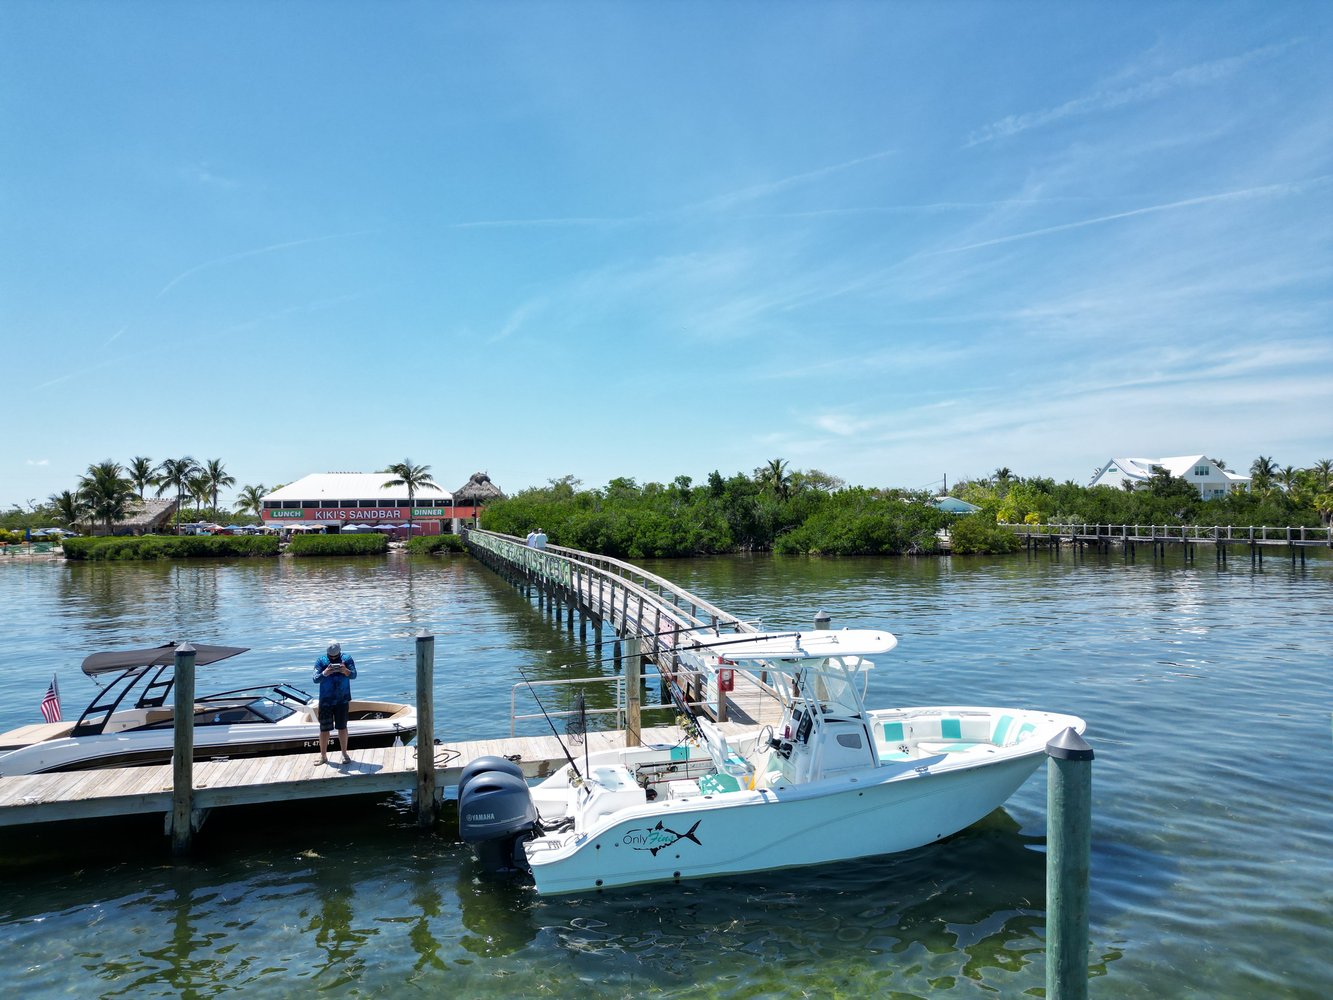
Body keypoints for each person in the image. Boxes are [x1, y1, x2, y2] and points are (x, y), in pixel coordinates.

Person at [313, 641, 357, 764]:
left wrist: (345, 671)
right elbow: (315, 679)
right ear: (327, 653)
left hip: (342, 699)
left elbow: (354, 675)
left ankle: (344, 754)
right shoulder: (321, 661)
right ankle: (323, 756)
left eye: (335, 657)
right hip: (326, 700)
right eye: (331, 657)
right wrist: (325, 673)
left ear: (339, 652)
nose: (333, 658)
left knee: (342, 727)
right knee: (324, 729)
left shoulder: (347, 659)